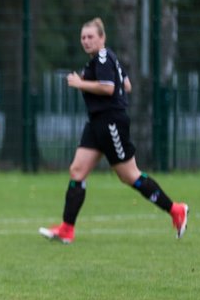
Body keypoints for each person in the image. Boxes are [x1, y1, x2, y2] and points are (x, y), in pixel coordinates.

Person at [40, 17, 188, 244]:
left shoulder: (102, 57)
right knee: (77, 171)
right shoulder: (103, 59)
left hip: (111, 123)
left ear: (102, 38)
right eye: (83, 37)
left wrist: (81, 84)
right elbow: (125, 85)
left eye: (91, 37)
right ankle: (67, 229)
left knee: (130, 176)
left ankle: (175, 209)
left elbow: (109, 88)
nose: (86, 41)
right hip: (97, 123)